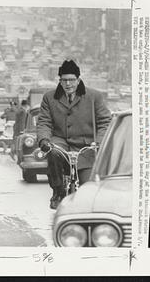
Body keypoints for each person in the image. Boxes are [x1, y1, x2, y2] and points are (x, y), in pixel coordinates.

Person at [37, 60, 112, 209]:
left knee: (87, 189)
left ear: (78, 80)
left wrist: (99, 142)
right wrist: (44, 140)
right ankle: (58, 192)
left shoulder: (94, 97)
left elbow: (105, 121)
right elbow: (44, 122)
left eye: (71, 80)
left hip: (87, 146)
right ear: (60, 81)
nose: (68, 84)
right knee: (53, 153)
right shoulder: (49, 98)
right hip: (61, 143)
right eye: (64, 80)